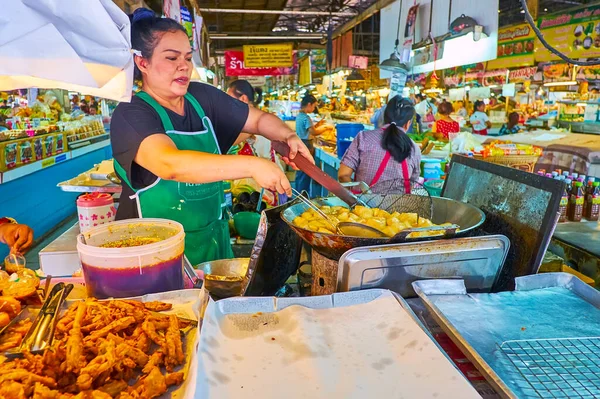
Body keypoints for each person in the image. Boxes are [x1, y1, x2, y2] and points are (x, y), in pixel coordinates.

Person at [110, 8, 311, 265]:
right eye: (172, 58)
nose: (183, 65)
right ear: (143, 63)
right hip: (156, 256)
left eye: (187, 57)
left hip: (213, 244)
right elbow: (169, 163)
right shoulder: (131, 113)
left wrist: (288, 135)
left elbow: (258, 119)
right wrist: (253, 165)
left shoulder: (202, 97)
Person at [338, 96, 422, 194]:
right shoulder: (414, 148)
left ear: (384, 117)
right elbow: (411, 184)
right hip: (398, 208)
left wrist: (355, 197)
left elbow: (343, 175)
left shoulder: (363, 138)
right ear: (408, 124)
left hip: (362, 207)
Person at [294, 95, 328, 194]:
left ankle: (297, 194)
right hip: (307, 145)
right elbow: (313, 132)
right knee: (306, 171)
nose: (314, 109)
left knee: (300, 171)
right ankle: (303, 195)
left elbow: (309, 128)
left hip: (300, 143)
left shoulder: (300, 116)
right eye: (313, 106)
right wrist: (325, 128)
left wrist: (319, 124)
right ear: (309, 104)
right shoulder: (306, 117)